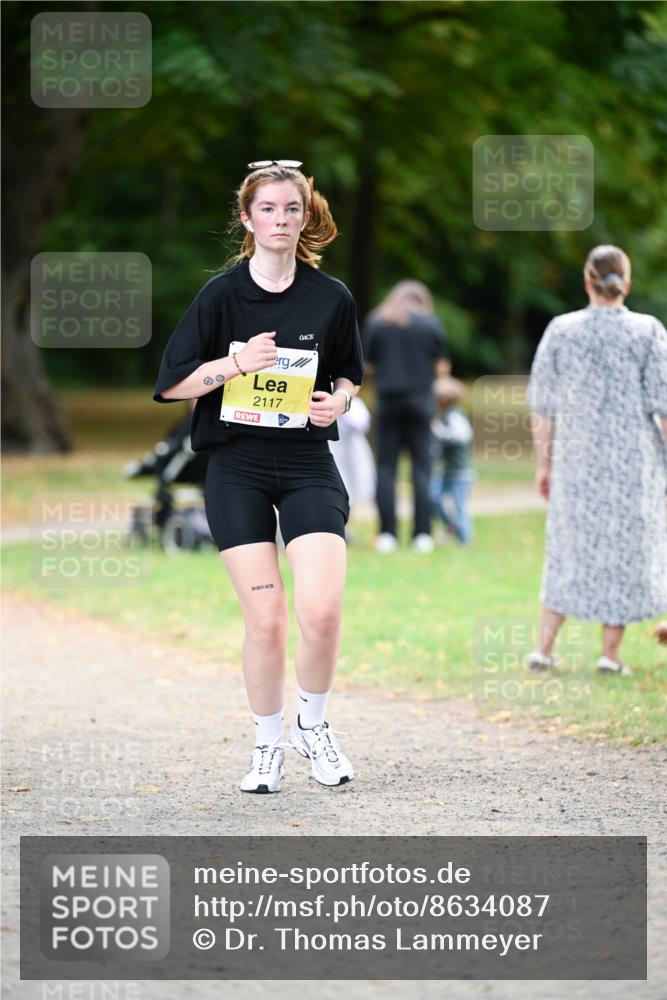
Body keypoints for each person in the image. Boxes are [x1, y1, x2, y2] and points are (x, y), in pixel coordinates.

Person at [153, 160, 364, 792]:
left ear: (306, 217)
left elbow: (349, 374)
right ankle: (265, 745)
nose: (280, 220)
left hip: (306, 463)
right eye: (267, 209)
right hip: (236, 467)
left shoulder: (333, 297)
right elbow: (171, 386)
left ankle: (313, 727)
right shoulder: (221, 295)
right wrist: (235, 362)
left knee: (322, 610)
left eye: (291, 209)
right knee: (267, 620)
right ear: (247, 219)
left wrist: (341, 401)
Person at [525, 244, 667, 675]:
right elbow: (662, 405)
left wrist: (544, 465)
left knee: (567, 549)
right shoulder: (648, 331)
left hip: (577, 460)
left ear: (587, 281)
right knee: (623, 552)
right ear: (627, 282)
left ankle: (543, 650)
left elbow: (542, 406)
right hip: (634, 464)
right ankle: (610, 655)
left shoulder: (561, 330)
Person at [363, 281, 450, 553]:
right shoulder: (431, 323)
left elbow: (366, 365)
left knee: (386, 468)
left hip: (388, 401)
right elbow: (442, 367)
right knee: (421, 468)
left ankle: (387, 533)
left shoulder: (378, 321)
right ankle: (422, 534)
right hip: (421, 402)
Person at [429, 376, 474, 545]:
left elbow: (463, 436)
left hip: (460, 473)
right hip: (446, 471)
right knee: (432, 497)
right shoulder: (443, 415)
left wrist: (439, 431)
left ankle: (465, 541)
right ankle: (451, 526)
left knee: (460, 506)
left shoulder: (455, 415)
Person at [328, 395, 376, 541]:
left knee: (351, 493)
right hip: (333, 454)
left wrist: (341, 406)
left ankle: (345, 528)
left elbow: (362, 423)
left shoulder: (355, 404)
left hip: (353, 457)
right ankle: (338, 528)